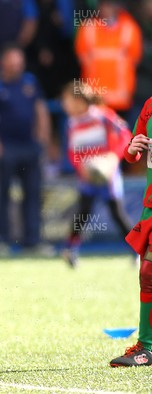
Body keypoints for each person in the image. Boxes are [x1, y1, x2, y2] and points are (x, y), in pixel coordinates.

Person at [0, 44, 51, 256]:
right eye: (12, 62)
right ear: (3, 63)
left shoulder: (30, 82)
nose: (16, 66)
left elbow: (40, 110)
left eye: (19, 62)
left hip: (30, 147)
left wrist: (43, 139)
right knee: (3, 196)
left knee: (33, 195)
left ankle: (33, 241)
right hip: (7, 148)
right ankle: (2, 240)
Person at [59, 82, 133, 268]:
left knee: (117, 214)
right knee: (82, 213)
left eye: (66, 101)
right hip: (87, 176)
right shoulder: (71, 123)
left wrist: (113, 159)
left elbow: (125, 136)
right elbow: (72, 151)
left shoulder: (102, 116)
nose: (64, 105)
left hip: (107, 175)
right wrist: (80, 168)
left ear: (79, 101)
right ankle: (70, 250)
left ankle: (138, 251)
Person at [112, 96, 152, 366]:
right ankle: (146, 347)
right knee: (147, 271)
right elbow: (131, 154)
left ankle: (147, 347)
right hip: (151, 203)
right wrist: (132, 148)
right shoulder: (149, 105)